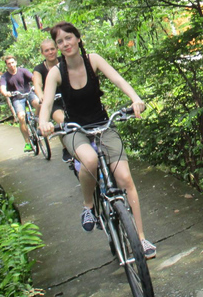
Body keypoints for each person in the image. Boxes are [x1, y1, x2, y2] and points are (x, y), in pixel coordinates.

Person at [39, 21, 156, 259]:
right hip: (74, 129)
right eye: (59, 41)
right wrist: (44, 122)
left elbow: (119, 80)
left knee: (124, 178)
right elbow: (48, 103)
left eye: (68, 38)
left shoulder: (93, 60)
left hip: (103, 124)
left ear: (78, 39)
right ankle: (88, 207)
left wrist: (135, 98)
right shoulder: (55, 72)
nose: (65, 44)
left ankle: (141, 240)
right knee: (90, 160)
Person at [0, 55, 40, 153]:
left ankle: (36, 120)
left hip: (29, 93)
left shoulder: (23, 71)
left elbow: (33, 78)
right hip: (17, 97)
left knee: (39, 104)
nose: (11, 65)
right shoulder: (4, 76)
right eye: (9, 63)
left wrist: (35, 85)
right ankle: (27, 143)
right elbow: (2, 88)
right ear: (6, 65)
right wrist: (6, 93)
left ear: (16, 63)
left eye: (12, 62)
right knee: (21, 117)